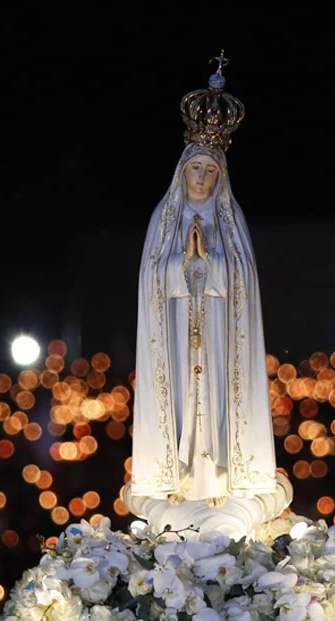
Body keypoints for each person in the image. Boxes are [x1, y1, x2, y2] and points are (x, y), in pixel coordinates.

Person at [129, 60, 277, 508]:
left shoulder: (230, 221)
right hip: (176, 330)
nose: (201, 177)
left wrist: (209, 263)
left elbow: (243, 280)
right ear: (182, 171)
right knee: (181, 395)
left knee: (214, 398)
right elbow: (152, 276)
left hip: (218, 332)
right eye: (195, 168)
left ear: (220, 176)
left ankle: (219, 479)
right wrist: (181, 260)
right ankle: (176, 474)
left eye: (210, 171)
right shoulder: (165, 218)